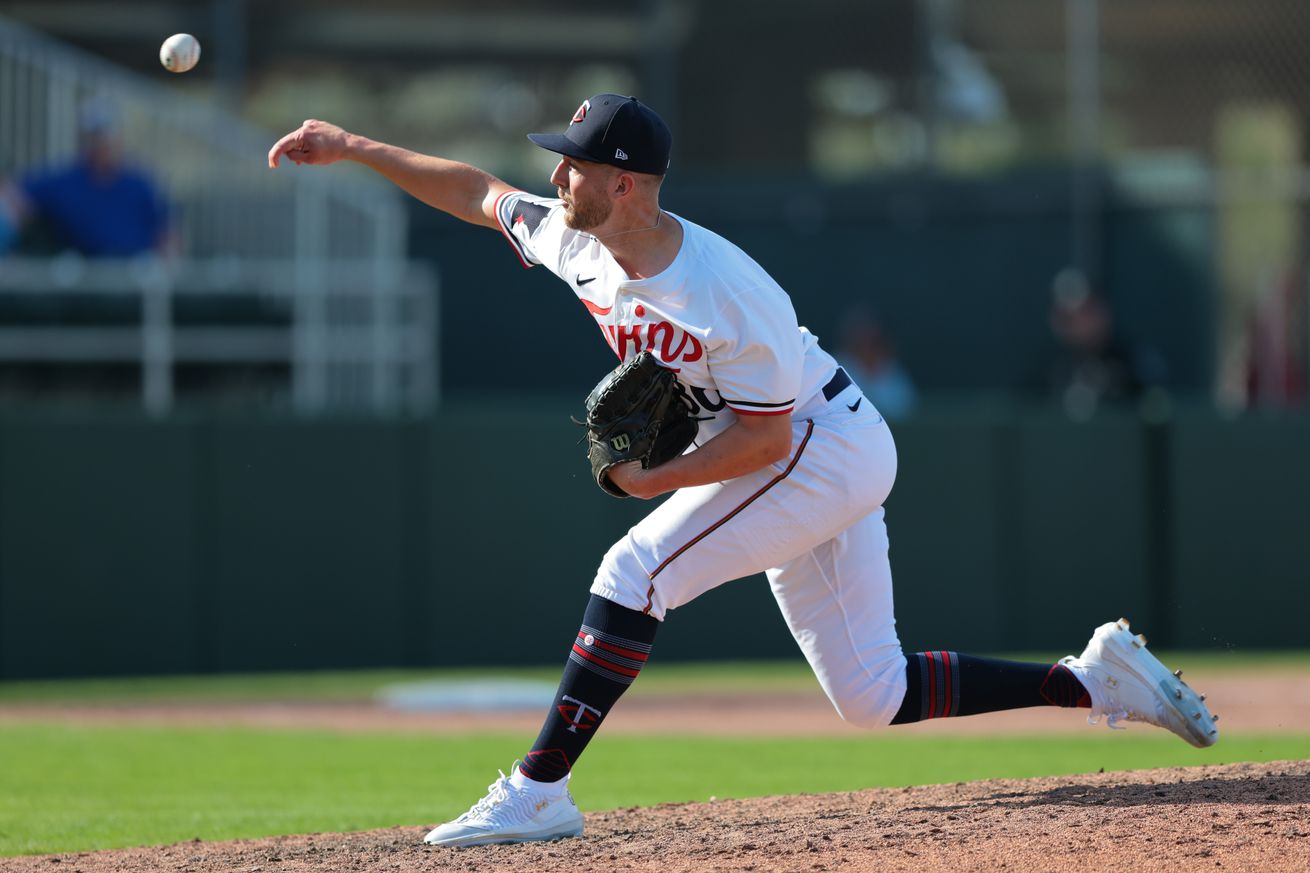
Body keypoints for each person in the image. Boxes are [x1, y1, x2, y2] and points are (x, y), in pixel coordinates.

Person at [268, 94, 1218, 849]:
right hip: (800, 441)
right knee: (871, 694)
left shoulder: (727, 290)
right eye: (560, 158)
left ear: (629, 187)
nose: (557, 175)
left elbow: (764, 443)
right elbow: (477, 194)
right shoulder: (579, 239)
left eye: (577, 164)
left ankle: (537, 789)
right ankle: (1094, 680)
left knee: (633, 571)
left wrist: (650, 484)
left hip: (818, 444)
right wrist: (353, 144)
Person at [17, 100, 173, 258]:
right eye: (96, 137)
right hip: (83, 275)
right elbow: (17, 197)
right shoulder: (64, 181)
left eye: (108, 137)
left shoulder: (140, 183)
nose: (103, 145)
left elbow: (165, 234)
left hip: (134, 273)